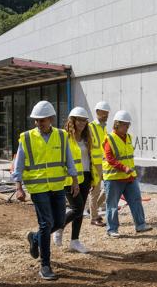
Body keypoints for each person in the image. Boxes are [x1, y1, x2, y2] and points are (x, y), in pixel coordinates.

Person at [11, 100, 79, 281]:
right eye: (36, 120)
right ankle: (45, 265)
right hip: (38, 188)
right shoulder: (26, 138)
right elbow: (18, 166)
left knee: (58, 222)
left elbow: (68, 159)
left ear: (50, 119)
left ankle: (34, 239)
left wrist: (74, 180)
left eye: (42, 120)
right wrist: (18, 188)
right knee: (46, 223)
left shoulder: (62, 136)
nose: (38, 123)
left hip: (57, 187)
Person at [103, 110, 151, 238]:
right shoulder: (110, 139)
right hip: (114, 178)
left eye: (128, 125)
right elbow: (110, 159)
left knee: (136, 200)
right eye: (125, 125)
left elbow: (128, 157)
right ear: (117, 124)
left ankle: (140, 225)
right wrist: (123, 168)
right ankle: (112, 229)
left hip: (129, 177)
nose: (127, 127)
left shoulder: (128, 137)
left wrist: (129, 172)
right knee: (112, 205)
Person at [52, 107, 93, 253]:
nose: (82, 123)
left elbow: (90, 158)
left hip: (86, 175)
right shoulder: (65, 137)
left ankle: (75, 241)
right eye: (79, 120)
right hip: (70, 178)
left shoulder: (87, 137)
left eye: (84, 120)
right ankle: (59, 227)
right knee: (77, 208)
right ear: (73, 120)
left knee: (80, 210)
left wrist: (94, 178)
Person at [88, 101, 109, 227]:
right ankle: (94, 217)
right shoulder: (91, 127)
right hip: (95, 164)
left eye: (107, 113)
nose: (106, 115)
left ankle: (93, 209)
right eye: (104, 113)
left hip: (105, 162)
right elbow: (89, 146)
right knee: (95, 191)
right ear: (97, 112)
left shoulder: (104, 127)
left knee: (108, 188)